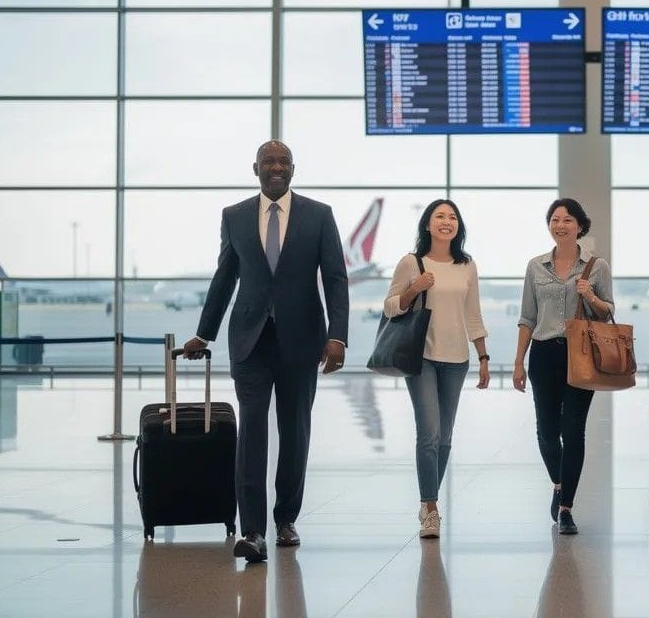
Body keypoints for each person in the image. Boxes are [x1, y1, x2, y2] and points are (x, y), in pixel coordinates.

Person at [182, 140, 348, 564]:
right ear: (255, 168)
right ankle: (252, 530)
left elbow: (335, 279)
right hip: (250, 341)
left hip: (301, 340)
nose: (276, 167)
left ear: (293, 169)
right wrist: (205, 333)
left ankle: (286, 519)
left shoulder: (319, 215)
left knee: (295, 432)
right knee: (251, 432)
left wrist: (337, 336)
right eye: (269, 161)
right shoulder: (235, 216)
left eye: (284, 162)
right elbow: (224, 278)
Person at [383, 199, 490, 540]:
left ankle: (429, 498)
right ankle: (429, 507)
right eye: (439, 216)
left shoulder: (467, 265)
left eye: (453, 217)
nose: (447, 221)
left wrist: (484, 357)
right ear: (427, 225)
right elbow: (389, 307)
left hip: (457, 359)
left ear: (459, 226)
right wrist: (415, 288)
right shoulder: (411, 262)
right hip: (422, 358)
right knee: (428, 434)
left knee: (444, 439)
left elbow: (473, 313)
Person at [512, 198, 614, 536]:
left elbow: (607, 312)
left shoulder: (596, 267)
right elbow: (527, 317)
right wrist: (517, 362)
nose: (561, 225)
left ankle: (567, 507)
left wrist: (590, 296)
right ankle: (558, 483)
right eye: (555, 220)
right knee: (546, 431)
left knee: (573, 432)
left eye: (568, 220)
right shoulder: (535, 266)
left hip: (580, 353)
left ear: (580, 226)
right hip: (542, 354)